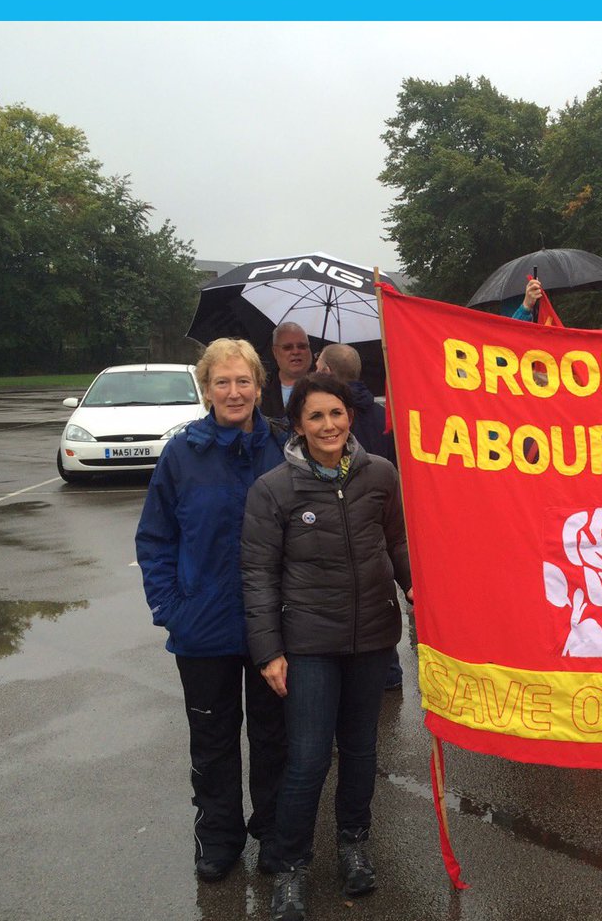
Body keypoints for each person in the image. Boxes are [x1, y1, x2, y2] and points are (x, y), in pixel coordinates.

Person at [241, 373, 412, 921]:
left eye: (336, 413)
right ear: (297, 426)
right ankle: (290, 867)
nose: (329, 425)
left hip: (372, 640)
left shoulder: (380, 474)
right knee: (309, 758)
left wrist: (414, 587)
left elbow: (398, 542)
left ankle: (353, 846)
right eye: (315, 416)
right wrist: (268, 650)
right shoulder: (274, 489)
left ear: (350, 417)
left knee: (361, 752)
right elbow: (259, 575)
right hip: (310, 644)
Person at [135, 338, 287, 882]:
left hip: (273, 629)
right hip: (203, 629)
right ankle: (219, 836)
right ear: (205, 390)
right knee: (213, 739)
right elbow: (155, 539)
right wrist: (171, 608)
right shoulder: (182, 454)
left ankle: (273, 833)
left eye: (243, 381)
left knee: (274, 738)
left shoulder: (283, 447)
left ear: (259, 386)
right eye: (221, 382)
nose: (233, 392)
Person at [315, 343, 403, 691]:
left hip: (351, 520)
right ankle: (389, 672)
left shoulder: (328, 420)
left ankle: (368, 674)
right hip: (383, 519)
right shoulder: (384, 416)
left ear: (325, 372)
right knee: (380, 594)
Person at [260, 322, 313, 420]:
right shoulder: (260, 388)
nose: (296, 352)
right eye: (287, 347)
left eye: (302, 346)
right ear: (275, 352)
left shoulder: (324, 387)